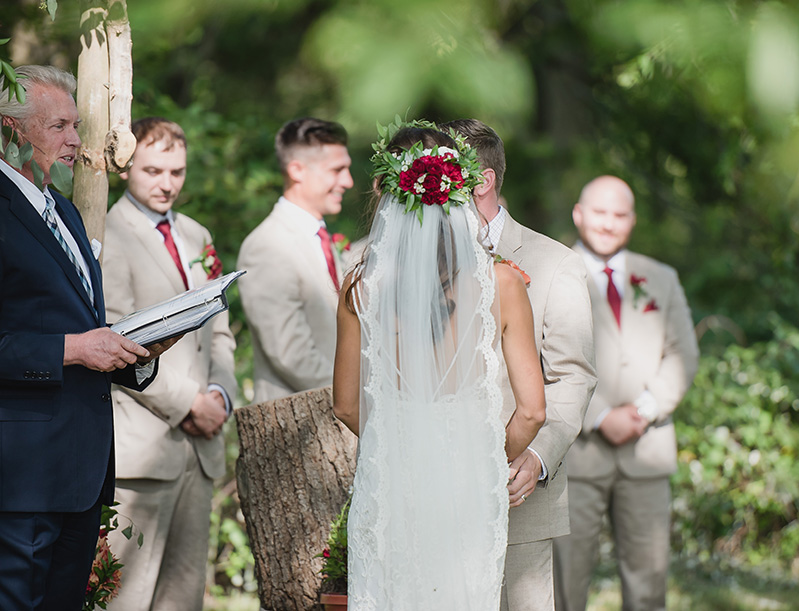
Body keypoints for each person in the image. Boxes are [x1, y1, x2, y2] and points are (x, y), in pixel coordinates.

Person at [332, 122, 546, 610]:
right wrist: (483, 458)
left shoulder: (359, 288)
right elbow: (533, 410)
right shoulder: (502, 284)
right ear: (459, 188)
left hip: (390, 479)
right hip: (469, 481)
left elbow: (344, 405)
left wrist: (400, 441)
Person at [0, 65, 173, 610]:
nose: (76, 140)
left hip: (81, 470)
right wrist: (77, 349)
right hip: (20, 476)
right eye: (59, 127)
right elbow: (67, 342)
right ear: (10, 129)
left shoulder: (67, 212)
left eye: (77, 125)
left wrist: (137, 349)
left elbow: (75, 325)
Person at [443, 118, 597, 611]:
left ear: (482, 181)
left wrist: (538, 456)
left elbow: (573, 375)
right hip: (435, 489)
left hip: (518, 493)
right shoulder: (419, 263)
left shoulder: (555, 264)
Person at [101, 117, 237, 611]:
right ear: (126, 168)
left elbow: (218, 332)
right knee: (125, 599)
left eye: (176, 171)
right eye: (153, 170)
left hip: (200, 449)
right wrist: (188, 403)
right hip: (143, 447)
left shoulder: (196, 234)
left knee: (183, 598)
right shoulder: (108, 232)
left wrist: (221, 395)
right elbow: (118, 342)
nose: (167, 183)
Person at [553, 176, 699, 611]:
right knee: (564, 585)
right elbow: (543, 356)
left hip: (646, 450)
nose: (608, 224)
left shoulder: (661, 277)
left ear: (632, 221)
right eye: (600, 212)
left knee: (649, 584)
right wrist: (599, 416)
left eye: (619, 215)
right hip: (575, 454)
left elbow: (683, 354)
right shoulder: (553, 271)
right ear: (579, 214)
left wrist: (644, 409)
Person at [237, 117, 353, 403]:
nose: (348, 181)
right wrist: (356, 398)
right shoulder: (266, 246)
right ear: (297, 170)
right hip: (298, 421)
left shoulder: (323, 238)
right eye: (337, 170)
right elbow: (290, 353)